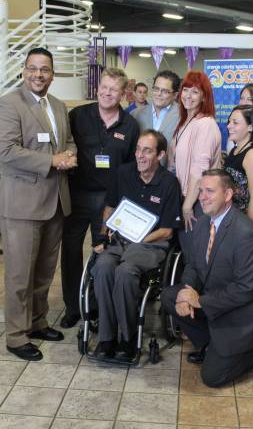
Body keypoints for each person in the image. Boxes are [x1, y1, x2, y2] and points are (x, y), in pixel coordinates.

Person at [160, 169, 253, 387]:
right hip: (219, 300)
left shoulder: (246, 233)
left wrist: (200, 301)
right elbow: (193, 265)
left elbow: (246, 288)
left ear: (228, 195)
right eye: (200, 191)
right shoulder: (202, 223)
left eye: (210, 191)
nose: (202, 197)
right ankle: (210, 343)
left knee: (212, 378)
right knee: (171, 295)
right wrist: (187, 291)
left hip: (245, 313)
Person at [0, 47, 77, 361]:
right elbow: (6, 151)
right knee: (20, 274)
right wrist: (53, 160)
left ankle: (37, 321)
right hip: (23, 204)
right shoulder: (9, 104)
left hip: (55, 201)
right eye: (33, 68)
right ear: (23, 71)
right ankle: (16, 336)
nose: (38, 75)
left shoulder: (57, 106)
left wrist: (70, 154)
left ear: (52, 74)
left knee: (45, 270)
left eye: (44, 69)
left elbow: (68, 141)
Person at [91, 129, 182, 360]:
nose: (140, 155)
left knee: (125, 270)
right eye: (138, 149)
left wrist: (139, 237)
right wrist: (103, 235)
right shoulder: (124, 173)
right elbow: (110, 207)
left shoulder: (169, 183)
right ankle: (106, 338)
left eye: (147, 151)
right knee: (102, 267)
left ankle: (128, 338)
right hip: (120, 240)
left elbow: (168, 230)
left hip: (151, 245)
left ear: (160, 155)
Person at [60, 67, 140, 329]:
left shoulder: (130, 125)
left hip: (109, 201)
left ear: (123, 93)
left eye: (114, 89)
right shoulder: (78, 116)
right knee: (71, 252)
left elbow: (131, 167)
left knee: (101, 255)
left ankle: (93, 306)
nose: (108, 93)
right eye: (104, 87)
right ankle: (73, 306)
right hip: (77, 195)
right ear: (97, 88)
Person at [167, 70, 222, 263]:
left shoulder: (205, 124)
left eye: (195, 92)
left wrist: (188, 204)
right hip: (185, 197)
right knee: (186, 253)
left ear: (204, 97)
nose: (188, 96)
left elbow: (199, 169)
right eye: (185, 90)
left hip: (198, 201)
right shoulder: (185, 122)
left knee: (196, 256)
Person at [224, 105, 253, 225]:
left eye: (235, 122)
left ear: (250, 127)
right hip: (232, 219)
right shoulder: (235, 150)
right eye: (229, 121)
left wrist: (248, 230)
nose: (229, 126)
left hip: (245, 223)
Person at [132, 70, 181, 155]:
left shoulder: (183, 116)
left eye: (165, 91)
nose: (159, 94)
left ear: (175, 95)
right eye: (156, 89)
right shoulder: (135, 114)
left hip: (171, 167)